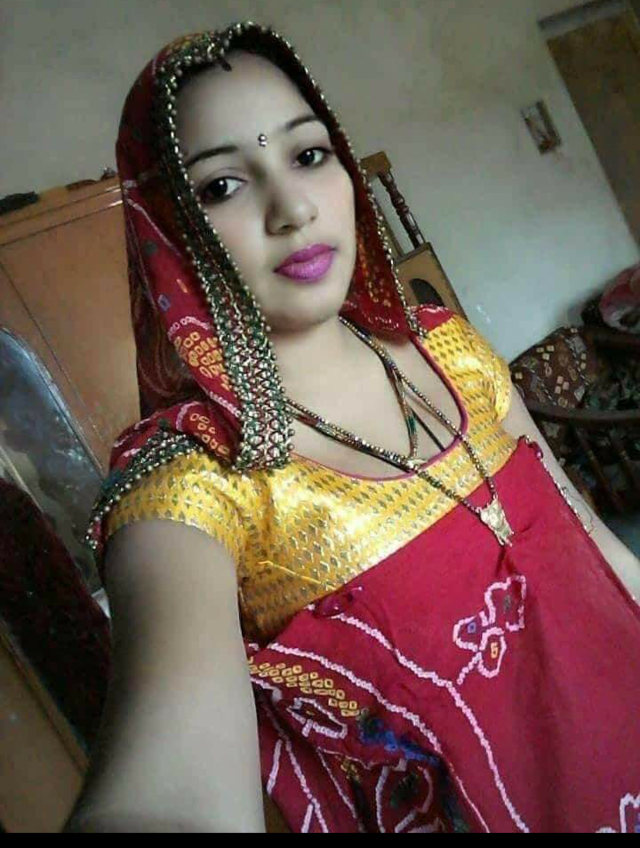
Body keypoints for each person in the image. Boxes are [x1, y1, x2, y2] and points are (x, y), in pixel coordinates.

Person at [64, 21, 640, 834]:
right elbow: (169, 790)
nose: (293, 208)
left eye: (308, 155)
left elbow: (593, 540)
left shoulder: (447, 349)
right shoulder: (193, 481)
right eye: (222, 185)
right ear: (168, 226)